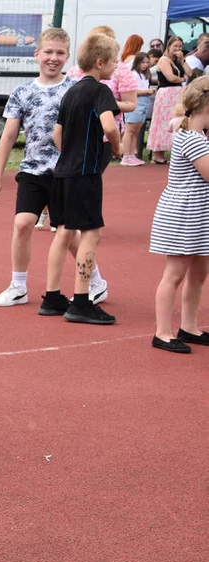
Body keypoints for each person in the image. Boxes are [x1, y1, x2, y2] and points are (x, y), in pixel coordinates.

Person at [0, 29, 109, 308]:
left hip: (67, 172)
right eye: (48, 52)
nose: (53, 58)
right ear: (36, 54)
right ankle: (18, 286)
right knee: (23, 223)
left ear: (68, 57)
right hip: (33, 170)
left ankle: (96, 281)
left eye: (60, 53)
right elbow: (8, 136)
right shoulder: (22, 92)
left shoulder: (76, 89)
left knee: (69, 233)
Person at [41, 32, 122, 325]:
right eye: (114, 61)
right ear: (100, 62)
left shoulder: (70, 92)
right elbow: (109, 126)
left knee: (63, 232)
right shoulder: (100, 91)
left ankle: (52, 297)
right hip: (84, 174)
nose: (116, 65)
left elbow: (57, 134)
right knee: (90, 233)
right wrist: (117, 145)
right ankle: (81, 300)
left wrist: (70, 154)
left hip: (62, 172)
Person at [149, 77, 209, 353]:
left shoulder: (198, 137)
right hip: (185, 213)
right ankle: (162, 332)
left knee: (198, 273)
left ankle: (190, 327)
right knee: (174, 274)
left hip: (198, 212)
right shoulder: (194, 140)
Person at [149, 36, 192, 164]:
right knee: (163, 122)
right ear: (169, 46)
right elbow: (171, 77)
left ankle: (172, 150)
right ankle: (157, 153)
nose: (178, 49)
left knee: (177, 121)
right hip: (166, 94)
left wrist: (183, 60)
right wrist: (183, 79)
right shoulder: (164, 60)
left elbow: (189, 73)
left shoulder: (178, 61)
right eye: (175, 46)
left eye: (180, 46)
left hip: (177, 94)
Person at [121, 53, 155, 166]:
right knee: (130, 129)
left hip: (144, 103)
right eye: (143, 62)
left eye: (147, 62)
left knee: (136, 131)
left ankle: (132, 155)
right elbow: (132, 91)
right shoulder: (133, 74)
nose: (145, 65)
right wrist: (146, 91)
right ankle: (126, 156)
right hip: (136, 102)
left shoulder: (145, 75)